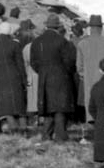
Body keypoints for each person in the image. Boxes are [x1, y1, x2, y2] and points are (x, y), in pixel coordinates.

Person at [29, 14, 76, 142]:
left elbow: (33, 62)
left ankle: (46, 135)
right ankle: (61, 136)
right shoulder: (63, 41)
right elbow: (70, 61)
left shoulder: (37, 41)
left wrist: (42, 71)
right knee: (60, 108)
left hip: (44, 77)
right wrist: (66, 72)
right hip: (61, 77)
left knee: (48, 107)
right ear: (58, 27)